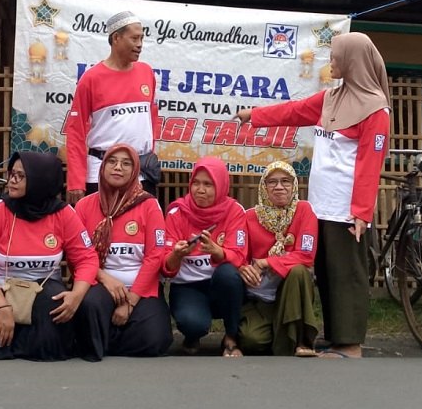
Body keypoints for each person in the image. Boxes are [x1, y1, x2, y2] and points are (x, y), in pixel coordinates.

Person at [236, 31, 390, 359]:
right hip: (320, 205)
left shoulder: (376, 110)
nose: (330, 62)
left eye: (335, 57)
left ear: (352, 62)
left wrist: (362, 212)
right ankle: (336, 336)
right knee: (327, 273)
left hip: (347, 210)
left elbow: (369, 165)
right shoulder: (331, 99)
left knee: (347, 275)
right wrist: (256, 117)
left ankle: (350, 344)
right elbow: (294, 112)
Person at [0, 151, 101, 361]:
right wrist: (2, 307)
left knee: (57, 315)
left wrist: (76, 295)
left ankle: (22, 344)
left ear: (40, 180)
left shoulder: (63, 213)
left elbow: (86, 259)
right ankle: (14, 342)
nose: (12, 181)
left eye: (21, 176)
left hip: (42, 288)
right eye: (12, 174)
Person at [74, 144, 173, 357]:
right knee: (90, 306)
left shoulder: (149, 205)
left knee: (156, 338)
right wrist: (105, 279)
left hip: (141, 288)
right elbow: (80, 255)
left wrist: (130, 302)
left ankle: (104, 340)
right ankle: (99, 338)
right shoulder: (84, 206)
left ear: (135, 171)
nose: (118, 167)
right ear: (102, 167)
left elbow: (155, 257)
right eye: (112, 161)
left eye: (126, 163)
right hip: (101, 284)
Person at [64, 11, 159, 204]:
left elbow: (151, 119)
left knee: (138, 231)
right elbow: (75, 131)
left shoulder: (147, 72)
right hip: (102, 172)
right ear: (116, 37)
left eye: (141, 38)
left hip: (141, 174)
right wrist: (76, 180)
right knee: (99, 231)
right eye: (134, 38)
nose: (140, 44)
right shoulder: (91, 78)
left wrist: (150, 157)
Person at [161, 156, 247, 357]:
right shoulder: (176, 212)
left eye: (208, 184)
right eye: (196, 183)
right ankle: (193, 335)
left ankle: (231, 336)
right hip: (188, 286)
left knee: (228, 274)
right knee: (193, 323)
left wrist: (218, 252)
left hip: (220, 284)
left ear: (221, 186)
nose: (200, 189)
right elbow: (165, 264)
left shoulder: (234, 211)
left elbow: (240, 255)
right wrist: (177, 254)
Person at [238, 161, 319, 357]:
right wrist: (242, 268)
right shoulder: (249, 217)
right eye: (272, 182)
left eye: (286, 181)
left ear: (294, 185)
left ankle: (302, 341)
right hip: (260, 296)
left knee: (299, 270)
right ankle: (278, 337)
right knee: (252, 341)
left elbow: (306, 255)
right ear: (264, 188)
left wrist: (267, 262)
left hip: (291, 293)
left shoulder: (304, 210)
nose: (279, 187)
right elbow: (239, 253)